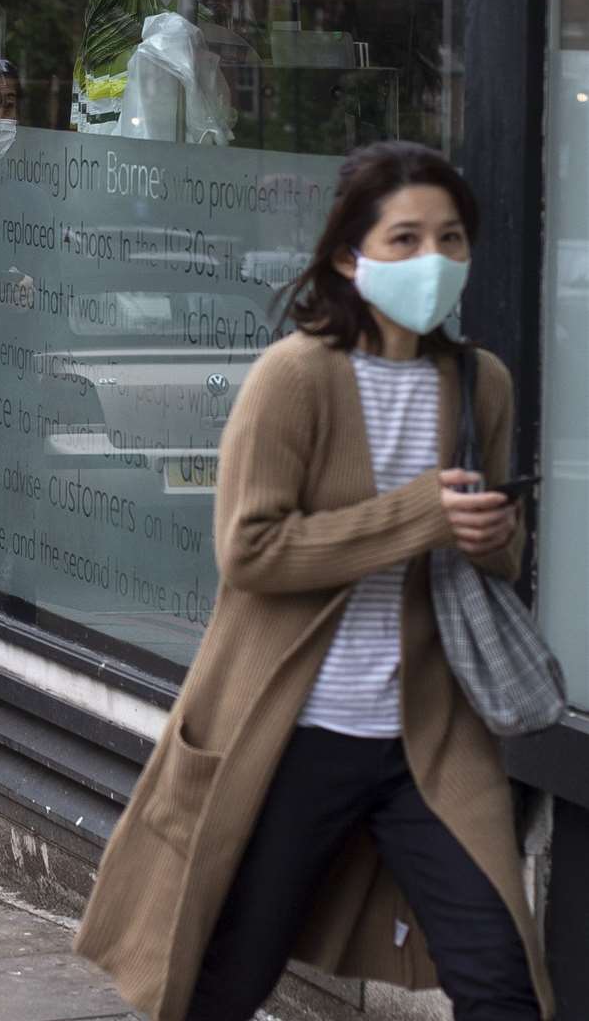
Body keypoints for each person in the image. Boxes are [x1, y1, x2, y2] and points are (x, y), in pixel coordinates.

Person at [75, 142, 553, 1021]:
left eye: (451, 239)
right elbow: (250, 552)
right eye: (404, 239)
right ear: (348, 255)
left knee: (500, 980)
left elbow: (494, 561)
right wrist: (419, 515)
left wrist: (490, 536)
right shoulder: (296, 377)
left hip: (430, 738)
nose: (433, 261)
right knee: (224, 979)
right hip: (295, 729)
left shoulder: (478, 381)